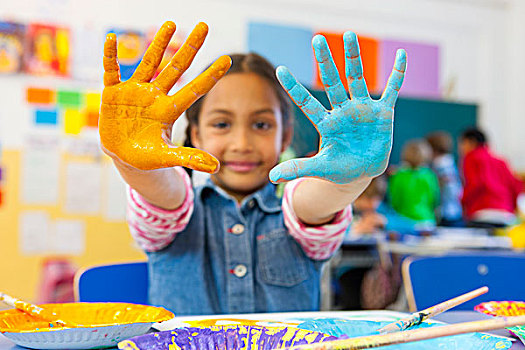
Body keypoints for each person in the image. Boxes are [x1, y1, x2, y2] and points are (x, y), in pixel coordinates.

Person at [98, 21, 406, 315]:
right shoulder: (176, 204)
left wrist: (350, 180)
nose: (242, 142)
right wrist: (134, 164)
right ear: (195, 134)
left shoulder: (297, 209)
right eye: (221, 124)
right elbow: (161, 190)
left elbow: (318, 202)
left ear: (284, 135)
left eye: (261, 124)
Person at [459, 128, 524, 227]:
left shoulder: (471, 158)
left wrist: (462, 202)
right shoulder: (501, 161)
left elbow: (474, 185)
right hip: (506, 214)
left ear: (471, 142)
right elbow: (516, 186)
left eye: (462, 143)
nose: (461, 148)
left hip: (481, 212)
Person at [388, 139, 440, 226]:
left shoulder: (398, 176)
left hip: (404, 221)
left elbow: (394, 200)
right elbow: (434, 199)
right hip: (426, 220)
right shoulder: (429, 175)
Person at [426, 131, 463, 226]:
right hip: (455, 210)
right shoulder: (449, 162)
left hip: (446, 213)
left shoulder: (440, 164)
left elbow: (446, 189)